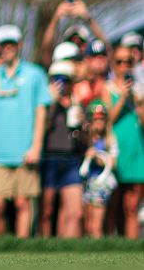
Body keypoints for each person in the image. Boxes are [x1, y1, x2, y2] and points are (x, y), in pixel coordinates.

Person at [0, 24, 50, 238]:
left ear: (19, 44)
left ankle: (22, 253)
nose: (7, 48)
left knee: (23, 204)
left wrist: (36, 146)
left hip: (25, 151)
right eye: (3, 44)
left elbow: (41, 112)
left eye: (11, 43)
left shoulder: (35, 74)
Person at [39, 48, 85, 238]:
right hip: (49, 158)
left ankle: (69, 253)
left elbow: (81, 138)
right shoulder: (45, 103)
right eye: (58, 79)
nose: (61, 83)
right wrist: (51, 103)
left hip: (71, 159)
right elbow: (41, 129)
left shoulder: (76, 103)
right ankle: (43, 252)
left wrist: (83, 126)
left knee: (75, 212)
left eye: (65, 79)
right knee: (47, 211)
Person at [107, 45, 144, 238]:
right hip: (115, 151)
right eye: (119, 62)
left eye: (128, 62)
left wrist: (138, 103)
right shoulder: (107, 88)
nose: (123, 66)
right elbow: (107, 120)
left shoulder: (139, 89)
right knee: (113, 204)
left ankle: (131, 250)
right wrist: (122, 97)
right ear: (113, 64)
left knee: (131, 205)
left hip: (136, 150)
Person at [80, 103, 118, 238]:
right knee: (87, 224)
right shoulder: (87, 139)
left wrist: (97, 156)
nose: (99, 123)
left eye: (102, 119)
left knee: (96, 225)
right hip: (87, 182)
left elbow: (113, 162)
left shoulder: (109, 139)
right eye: (96, 120)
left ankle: (98, 255)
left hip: (100, 184)